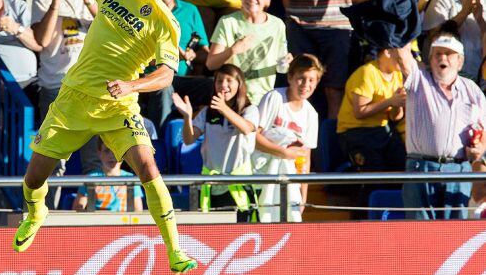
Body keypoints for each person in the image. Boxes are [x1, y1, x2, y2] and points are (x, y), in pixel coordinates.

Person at [12, 0, 197, 274]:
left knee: (147, 166)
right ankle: (36, 211)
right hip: (73, 99)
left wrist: (132, 86)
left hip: (118, 104)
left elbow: (165, 75)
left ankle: (175, 249)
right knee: (34, 179)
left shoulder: (165, 22)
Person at [389, 22, 486, 220]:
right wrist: (401, 19)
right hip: (420, 168)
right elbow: (402, 55)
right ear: (430, 59)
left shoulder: (473, 90)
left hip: (459, 170)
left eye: (448, 53)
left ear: (460, 61)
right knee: (419, 236)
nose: (442, 57)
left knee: (454, 237)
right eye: (437, 53)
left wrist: (479, 149)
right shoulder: (418, 80)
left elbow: (483, 134)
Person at [31, 0, 101, 207]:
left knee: (92, 159)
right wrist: (56, 2)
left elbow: (113, 34)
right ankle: (44, 217)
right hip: (55, 86)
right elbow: (43, 40)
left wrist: (90, 1)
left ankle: (95, 216)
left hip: (90, 87)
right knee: (52, 156)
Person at [173, 64, 259, 221]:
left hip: (237, 186)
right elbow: (188, 139)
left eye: (229, 81)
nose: (223, 85)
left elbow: (247, 128)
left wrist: (224, 109)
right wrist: (187, 117)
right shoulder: (207, 112)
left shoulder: (249, 110)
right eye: (219, 81)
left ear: (239, 84)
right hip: (210, 186)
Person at [252, 54, 323, 222]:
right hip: (260, 173)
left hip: (289, 180)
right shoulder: (274, 98)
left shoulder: (311, 114)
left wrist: (303, 196)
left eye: (311, 80)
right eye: (301, 78)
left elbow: (305, 157)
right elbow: (253, 137)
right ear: (290, 77)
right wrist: (282, 152)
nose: (306, 85)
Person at [207, 0, 289, 105]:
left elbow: (282, 68)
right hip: (233, 98)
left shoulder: (277, 25)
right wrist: (232, 51)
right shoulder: (228, 22)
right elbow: (211, 64)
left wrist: (286, 63)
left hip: (263, 99)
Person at [143, 0, 213, 132]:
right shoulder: (145, 8)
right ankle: (160, 144)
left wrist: (191, 55)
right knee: (164, 88)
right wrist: (169, 57)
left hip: (182, 79)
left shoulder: (190, 10)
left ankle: (201, 137)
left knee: (214, 86)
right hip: (152, 77)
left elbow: (205, 53)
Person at [336, 46, 406, 172]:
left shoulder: (398, 75)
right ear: (387, 52)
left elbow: (395, 117)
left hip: (382, 130)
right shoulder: (367, 73)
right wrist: (390, 101)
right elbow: (359, 112)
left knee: (402, 165)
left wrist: (398, 103)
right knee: (375, 172)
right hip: (355, 131)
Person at [423, 0, 486, 81]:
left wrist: (481, 22)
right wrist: (463, 13)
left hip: (480, 82)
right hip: (442, 79)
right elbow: (434, 37)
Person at [72, 140, 144, 212]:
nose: (112, 155)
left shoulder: (131, 178)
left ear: (123, 153)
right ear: (99, 153)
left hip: (123, 221)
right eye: (107, 151)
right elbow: (78, 208)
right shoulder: (90, 178)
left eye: (116, 151)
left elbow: (138, 210)